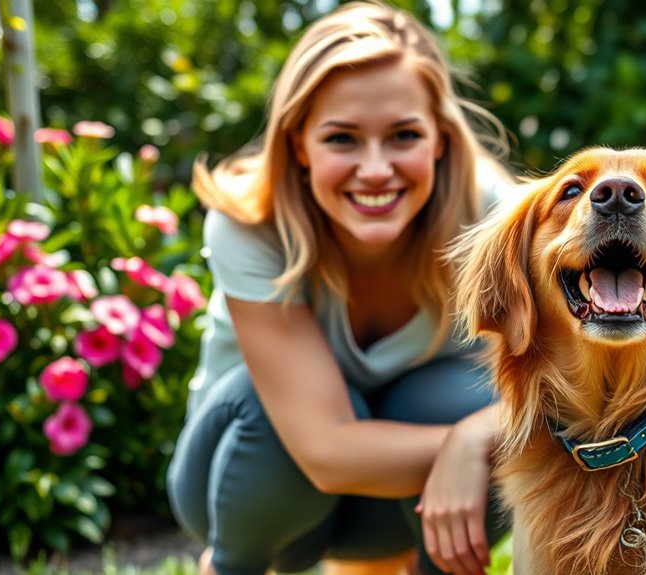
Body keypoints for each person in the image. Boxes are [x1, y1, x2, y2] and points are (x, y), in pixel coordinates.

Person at [165, 3, 513, 574]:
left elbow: (561, 394)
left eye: (404, 135)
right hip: (250, 493)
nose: (375, 169)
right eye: (342, 139)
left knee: (474, 401)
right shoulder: (250, 222)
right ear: (300, 144)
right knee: (266, 413)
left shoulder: (492, 220)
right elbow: (324, 452)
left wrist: (477, 436)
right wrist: (466, 444)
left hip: (401, 506)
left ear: (441, 140)